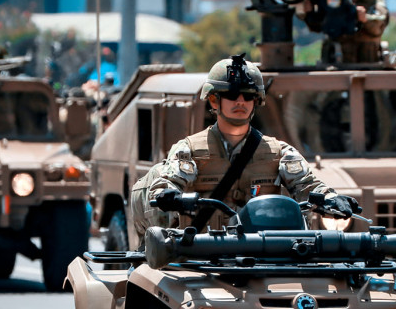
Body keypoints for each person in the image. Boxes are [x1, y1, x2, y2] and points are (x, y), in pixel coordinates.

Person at [130, 55, 358, 242]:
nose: (240, 101)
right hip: (204, 253)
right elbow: (168, 182)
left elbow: (308, 186)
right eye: (231, 94)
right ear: (213, 101)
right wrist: (167, 195)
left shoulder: (278, 152)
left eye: (248, 95)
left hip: (263, 252)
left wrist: (331, 199)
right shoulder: (190, 150)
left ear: (256, 101)